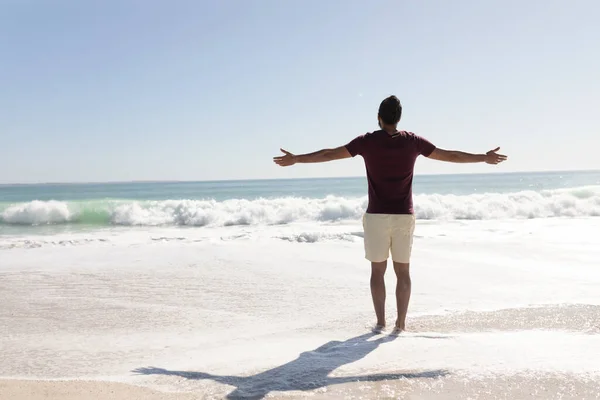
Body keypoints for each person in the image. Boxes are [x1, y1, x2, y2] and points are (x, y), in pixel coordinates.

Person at [273, 95, 507, 334]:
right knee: (403, 272)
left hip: (376, 216)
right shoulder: (413, 141)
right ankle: (401, 325)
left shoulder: (366, 142)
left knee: (377, 271)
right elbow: (450, 155)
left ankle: (381, 323)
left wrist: (297, 159)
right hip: (404, 216)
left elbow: (329, 154)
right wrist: (483, 158)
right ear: (399, 118)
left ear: (378, 117)